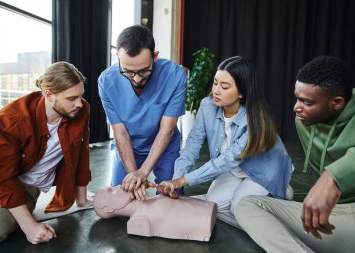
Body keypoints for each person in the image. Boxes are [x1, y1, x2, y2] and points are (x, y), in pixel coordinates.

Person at [235, 56, 355, 253]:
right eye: (297, 97)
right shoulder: (303, 122)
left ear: (337, 102)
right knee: (247, 205)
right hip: (339, 216)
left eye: (306, 102)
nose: (296, 107)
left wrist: (333, 177)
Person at [158, 56, 292, 227]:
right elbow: (191, 146)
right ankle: (256, 210)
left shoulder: (255, 119)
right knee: (214, 205)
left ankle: (278, 190)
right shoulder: (207, 106)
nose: (216, 91)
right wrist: (176, 181)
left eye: (225, 86)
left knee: (240, 208)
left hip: (262, 170)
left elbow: (228, 159)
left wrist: (184, 180)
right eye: (215, 83)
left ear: (242, 92)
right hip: (235, 169)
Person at [0, 62, 93, 246]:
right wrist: (29, 226)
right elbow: (0, 175)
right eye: (72, 98)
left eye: (81, 96)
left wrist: (81, 198)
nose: (79, 103)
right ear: (49, 95)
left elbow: (82, 151)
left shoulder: (81, 110)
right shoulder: (12, 117)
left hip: (24, 186)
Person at [98, 25, 187, 200]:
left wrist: (144, 171)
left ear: (155, 57)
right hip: (129, 146)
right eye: (128, 72)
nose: (137, 79)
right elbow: (120, 132)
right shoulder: (106, 82)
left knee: (172, 197)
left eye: (144, 71)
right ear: (118, 59)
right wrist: (134, 175)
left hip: (165, 145)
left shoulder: (175, 75)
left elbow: (166, 129)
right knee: (120, 198)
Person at [93, 185, 217, 242]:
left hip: (207, 210)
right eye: (111, 191)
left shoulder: (149, 201)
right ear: (107, 209)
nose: (118, 186)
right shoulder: (139, 220)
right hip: (204, 221)